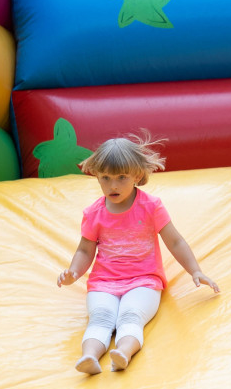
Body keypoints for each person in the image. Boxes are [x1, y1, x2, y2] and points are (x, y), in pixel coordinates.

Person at [57, 134, 220, 375]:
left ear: (137, 176)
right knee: (101, 317)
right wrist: (74, 272)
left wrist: (196, 271)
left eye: (121, 177)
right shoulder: (94, 213)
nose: (113, 185)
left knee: (131, 315)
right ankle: (89, 356)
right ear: (97, 176)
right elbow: (84, 249)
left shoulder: (150, 206)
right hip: (104, 282)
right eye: (106, 178)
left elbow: (175, 241)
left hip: (144, 280)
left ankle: (123, 352)